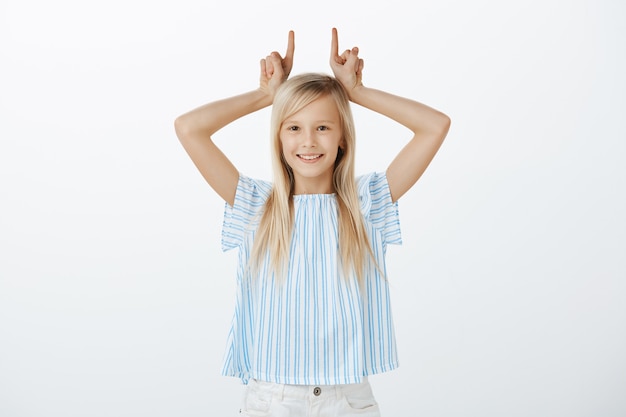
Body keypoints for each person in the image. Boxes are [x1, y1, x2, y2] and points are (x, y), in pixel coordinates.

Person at [175, 28, 450, 417]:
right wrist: (265, 96)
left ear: (342, 138)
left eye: (322, 127)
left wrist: (356, 93)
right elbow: (189, 128)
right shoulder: (256, 204)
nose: (308, 142)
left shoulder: (366, 203)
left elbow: (435, 126)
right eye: (294, 127)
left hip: (347, 397)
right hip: (272, 398)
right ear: (279, 137)